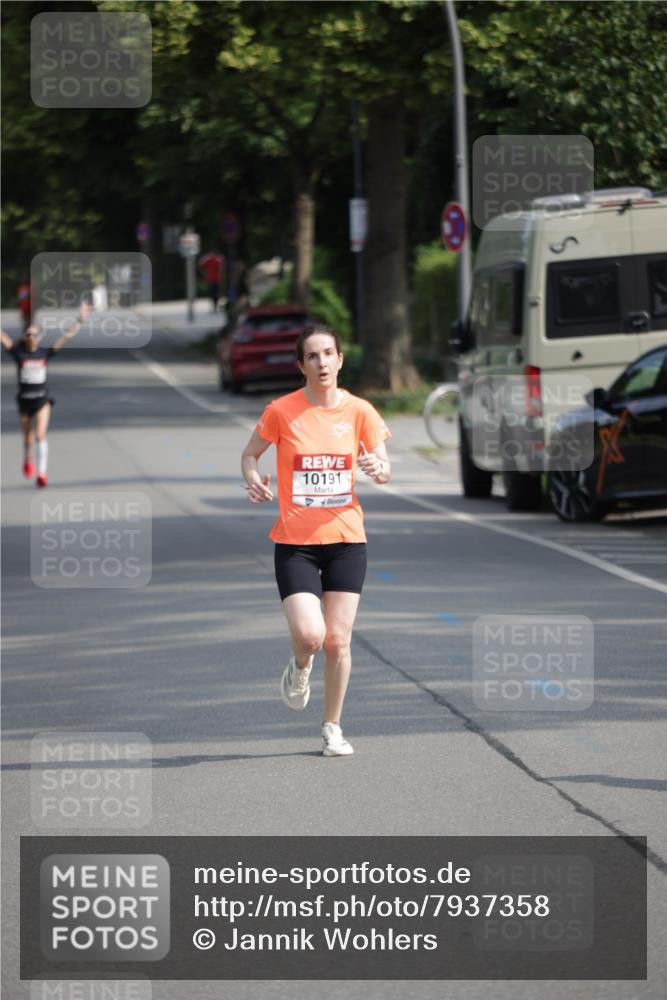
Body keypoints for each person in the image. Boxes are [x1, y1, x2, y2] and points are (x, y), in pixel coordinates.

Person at [241, 323, 391, 757]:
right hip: (296, 543)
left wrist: (379, 471)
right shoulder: (281, 411)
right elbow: (251, 454)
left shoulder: (360, 411)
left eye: (329, 354)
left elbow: (383, 464)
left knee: (338, 640)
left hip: (347, 539)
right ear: (301, 365)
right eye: (313, 356)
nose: (322, 362)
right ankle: (300, 665)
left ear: (340, 360)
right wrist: (253, 480)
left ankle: (332, 727)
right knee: (310, 636)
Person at [1, 302, 92, 487]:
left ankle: (42, 473)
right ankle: (28, 458)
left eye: (34, 334)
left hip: (42, 400)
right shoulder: (18, 353)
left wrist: (80, 319)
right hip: (24, 401)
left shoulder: (45, 353)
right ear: (25, 337)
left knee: (40, 435)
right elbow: (2, 336)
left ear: (39, 337)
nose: (31, 337)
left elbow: (66, 337)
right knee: (28, 437)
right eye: (28, 334)